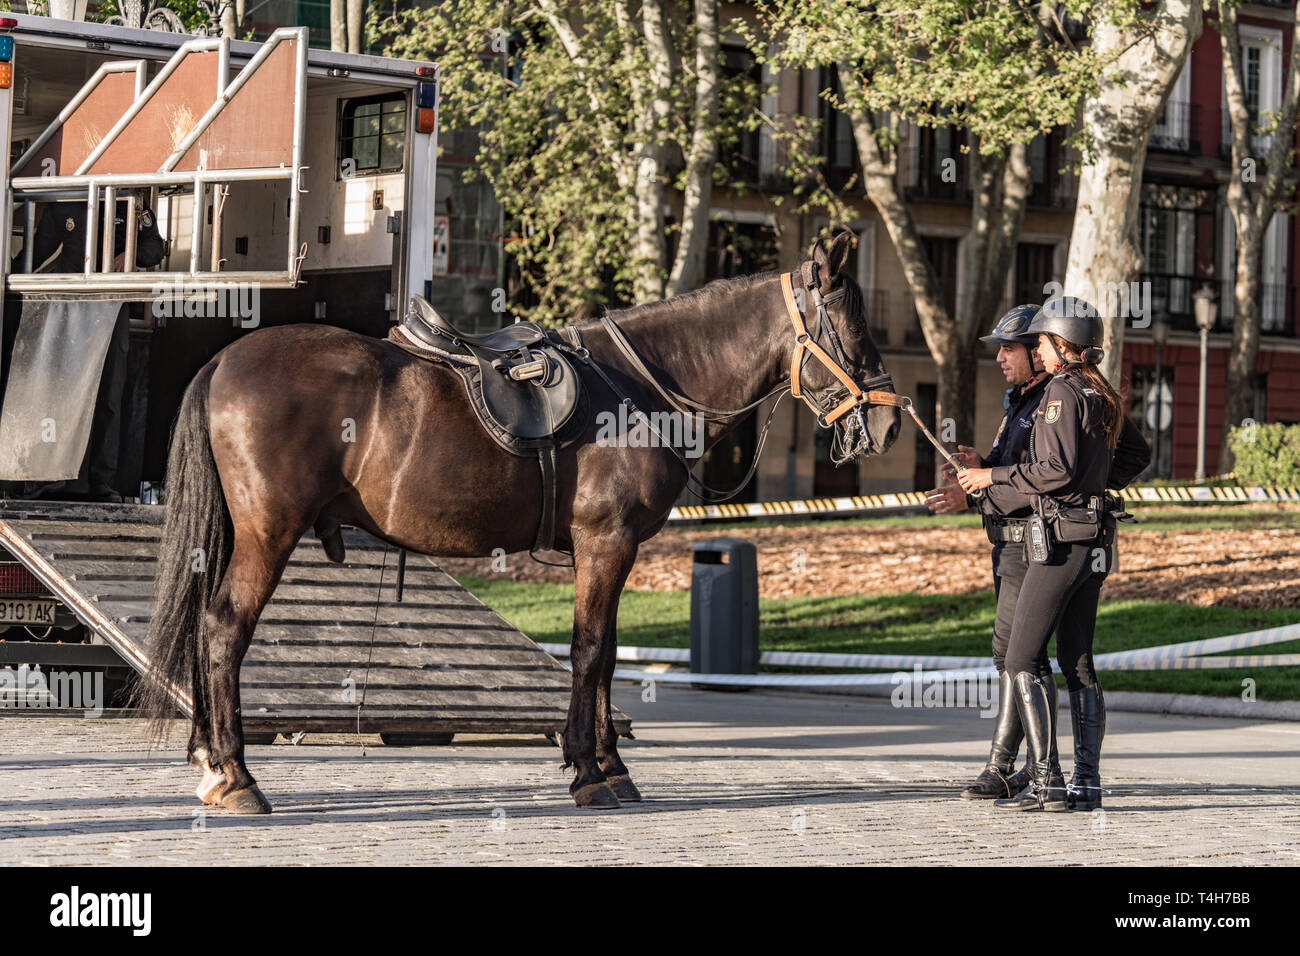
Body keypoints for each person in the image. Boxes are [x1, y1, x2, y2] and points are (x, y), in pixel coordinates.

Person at [956, 297, 1149, 811]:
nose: (1034, 348)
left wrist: (989, 476)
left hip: (1061, 541)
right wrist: (1096, 485)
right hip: (1095, 539)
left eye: (1039, 340)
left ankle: (1048, 782)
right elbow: (1135, 455)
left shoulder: (1061, 390)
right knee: (1078, 661)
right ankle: (1086, 783)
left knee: (1020, 657)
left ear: (1061, 345)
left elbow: (1055, 471)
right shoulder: (1101, 392)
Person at [925, 304, 1056, 800]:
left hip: (1031, 545)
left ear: (1037, 353)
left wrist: (974, 489)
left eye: (1010, 348)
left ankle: (1019, 769)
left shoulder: (1051, 400)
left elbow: (1039, 480)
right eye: (998, 348)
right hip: (1007, 543)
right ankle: (1020, 768)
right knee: (1011, 655)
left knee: (1018, 655)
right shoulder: (1020, 400)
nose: (1000, 357)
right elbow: (1011, 468)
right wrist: (981, 463)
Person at [12, 192, 164, 502]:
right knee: (60, 393)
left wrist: (131, 254)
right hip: (70, 308)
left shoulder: (130, 202)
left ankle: (101, 482)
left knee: (109, 394)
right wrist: (9, 281)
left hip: (111, 309)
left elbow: (154, 248)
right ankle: (49, 477)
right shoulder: (65, 201)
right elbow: (37, 252)